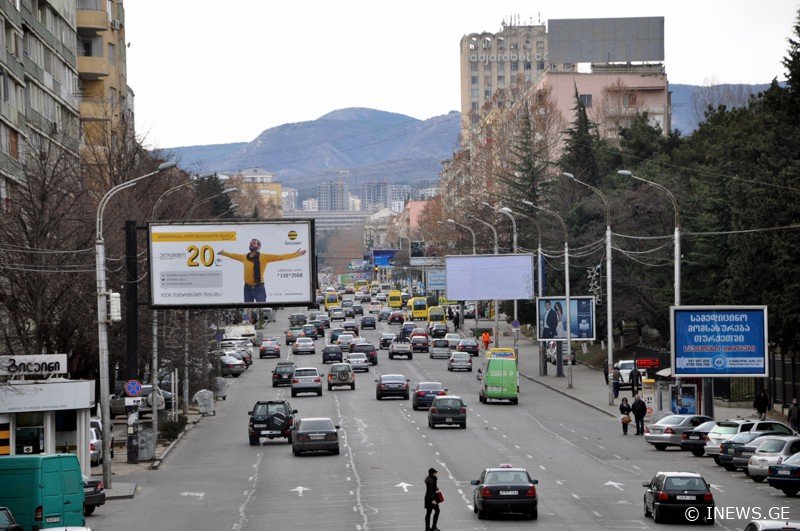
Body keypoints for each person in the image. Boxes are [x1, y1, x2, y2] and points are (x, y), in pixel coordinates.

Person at [219, 239, 306, 303]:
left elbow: (280, 257)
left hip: (259, 288)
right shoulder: (244, 257)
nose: (251, 244)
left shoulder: (264, 257)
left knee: (262, 308)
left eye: (254, 243)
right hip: (247, 288)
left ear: (259, 246)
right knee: (248, 308)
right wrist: (223, 253)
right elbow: (233, 256)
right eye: (250, 243)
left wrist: (296, 254)